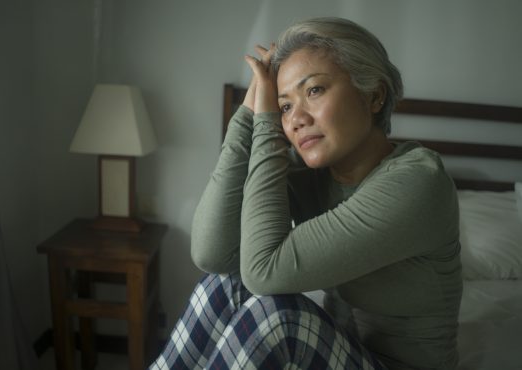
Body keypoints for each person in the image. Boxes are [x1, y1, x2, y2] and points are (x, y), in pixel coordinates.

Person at [150, 17, 462, 370]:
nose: (295, 118)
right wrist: (246, 116)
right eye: (284, 105)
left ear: (374, 95)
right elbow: (211, 253)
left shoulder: (419, 181)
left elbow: (264, 272)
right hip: (334, 353)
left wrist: (267, 123)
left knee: (280, 318)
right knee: (225, 286)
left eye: (314, 90)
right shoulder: (309, 176)